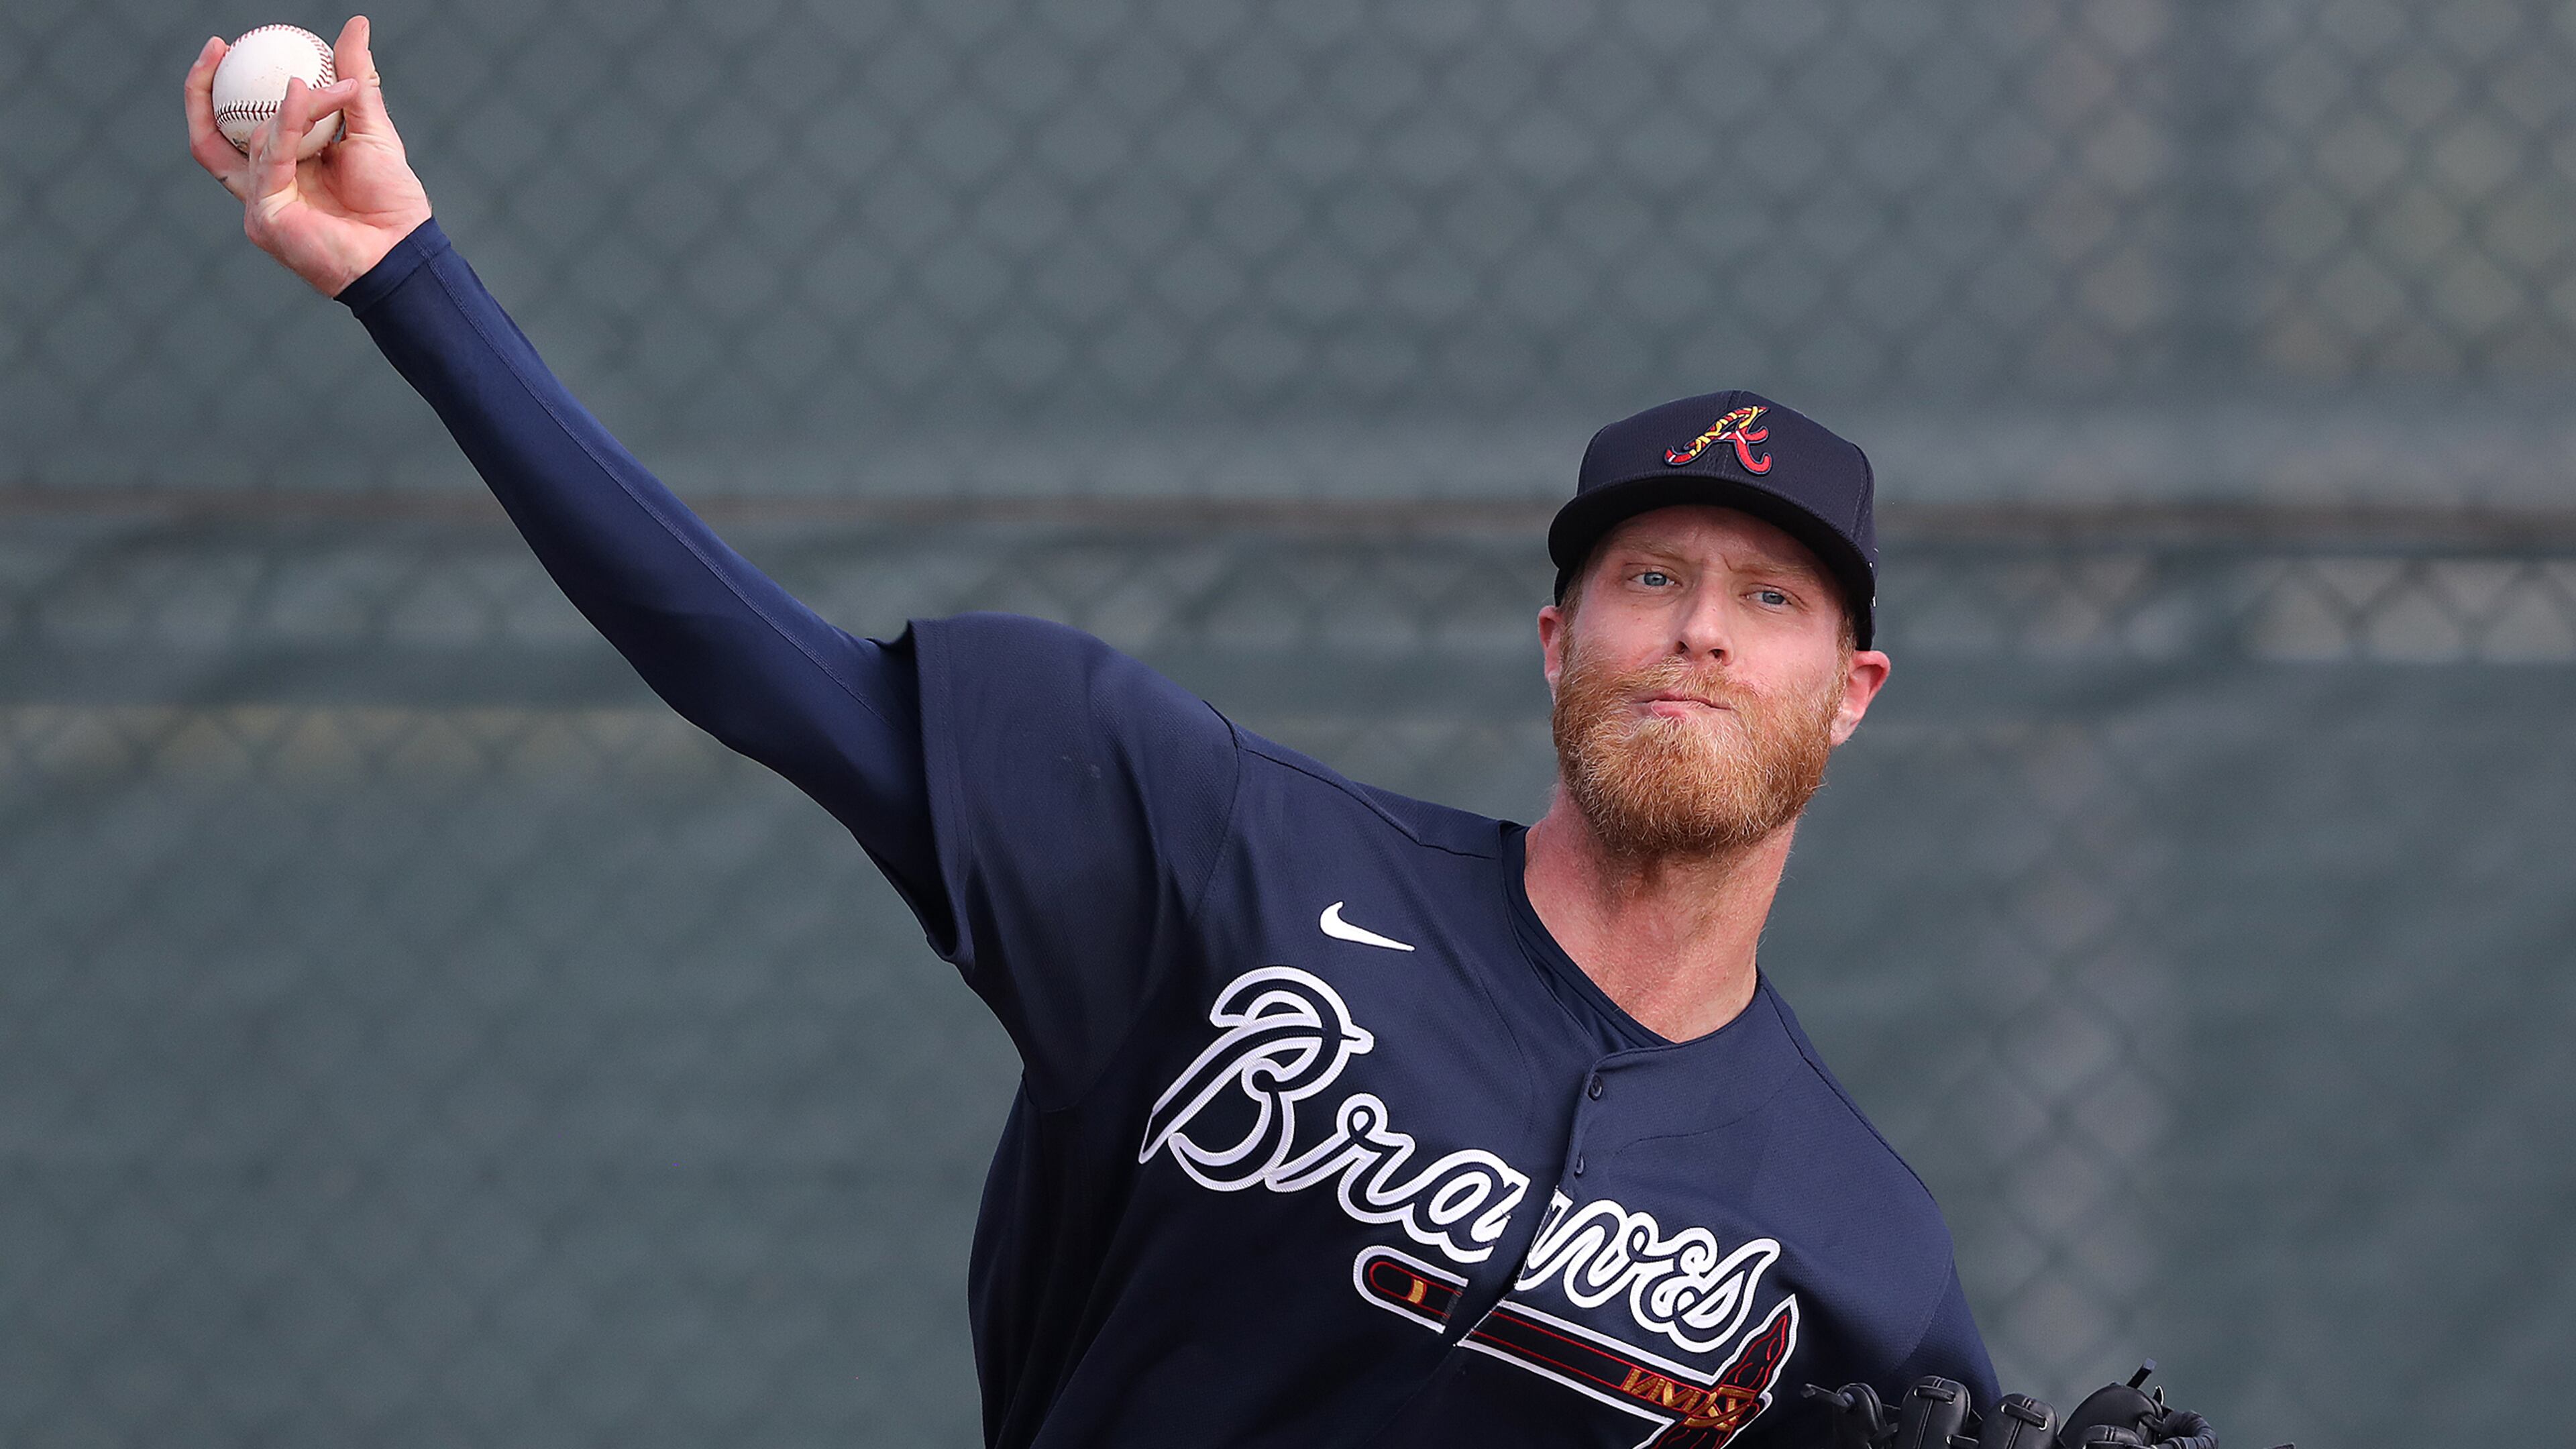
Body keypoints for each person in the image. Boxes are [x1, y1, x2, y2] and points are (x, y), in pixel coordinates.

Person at [186, 19, 2000, 1446]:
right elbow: (750, 662)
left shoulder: (1861, 1251)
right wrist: (409, 281)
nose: (1697, 628)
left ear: (1851, 692)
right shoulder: (1227, 867)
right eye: (1650, 575)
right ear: (1555, 642)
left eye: (1771, 601)